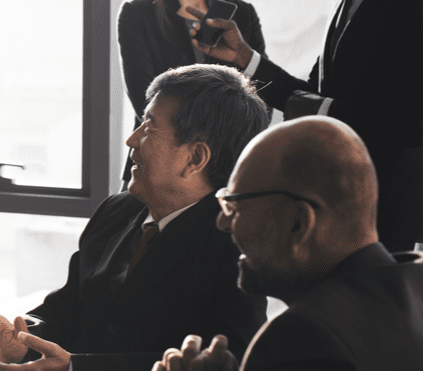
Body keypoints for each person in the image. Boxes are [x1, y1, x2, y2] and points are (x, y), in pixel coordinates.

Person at [0, 64, 268, 370]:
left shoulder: (237, 243)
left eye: (149, 127)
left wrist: (78, 368)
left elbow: (232, 361)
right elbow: (68, 309)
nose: (131, 140)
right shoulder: (118, 210)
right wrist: (19, 340)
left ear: (195, 159)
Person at [191, 0, 422, 252]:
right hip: (332, 209)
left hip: (383, 223)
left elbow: (409, 121)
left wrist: (322, 112)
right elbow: (310, 94)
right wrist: (246, 58)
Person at [152, 117, 423, 371]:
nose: (222, 222)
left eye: (235, 206)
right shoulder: (415, 285)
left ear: (298, 222)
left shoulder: (302, 337)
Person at [118, 0, 265, 182]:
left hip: (225, 168)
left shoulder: (242, 14)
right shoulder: (138, 15)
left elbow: (259, 96)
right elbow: (145, 99)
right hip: (157, 164)